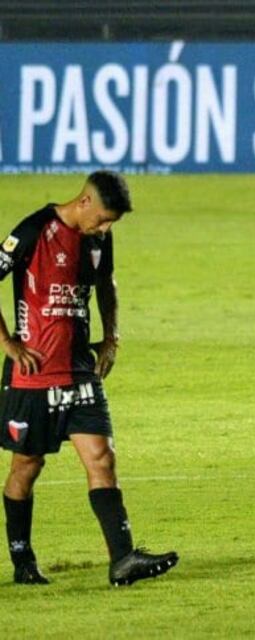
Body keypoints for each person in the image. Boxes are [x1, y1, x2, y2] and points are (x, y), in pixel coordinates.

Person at [0, 171, 178, 586]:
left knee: (102, 458)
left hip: (81, 369)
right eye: (102, 219)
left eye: (111, 223)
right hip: (34, 374)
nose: (105, 228)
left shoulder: (98, 239)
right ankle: (22, 559)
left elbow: (105, 284)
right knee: (27, 465)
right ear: (83, 202)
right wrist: (7, 342)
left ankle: (122, 560)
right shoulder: (33, 230)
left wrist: (111, 336)